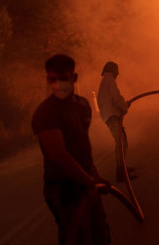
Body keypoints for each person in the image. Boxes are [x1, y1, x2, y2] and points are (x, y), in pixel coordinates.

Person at [32, 54, 111, 244]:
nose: (58, 84)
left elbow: (82, 147)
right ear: (47, 80)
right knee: (77, 237)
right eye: (53, 79)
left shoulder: (83, 105)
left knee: (100, 234)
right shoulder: (46, 113)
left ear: (74, 78)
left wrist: (94, 176)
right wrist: (89, 182)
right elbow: (58, 155)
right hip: (63, 189)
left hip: (86, 183)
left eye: (63, 79)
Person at [97, 61, 136, 182]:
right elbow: (116, 97)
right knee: (121, 142)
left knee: (122, 141)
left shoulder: (105, 81)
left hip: (110, 115)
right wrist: (123, 107)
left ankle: (122, 168)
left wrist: (123, 106)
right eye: (117, 70)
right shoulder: (110, 80)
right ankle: (121, 173)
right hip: (111, 116)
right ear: (113, 70)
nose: (118, 73)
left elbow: (113, 99)